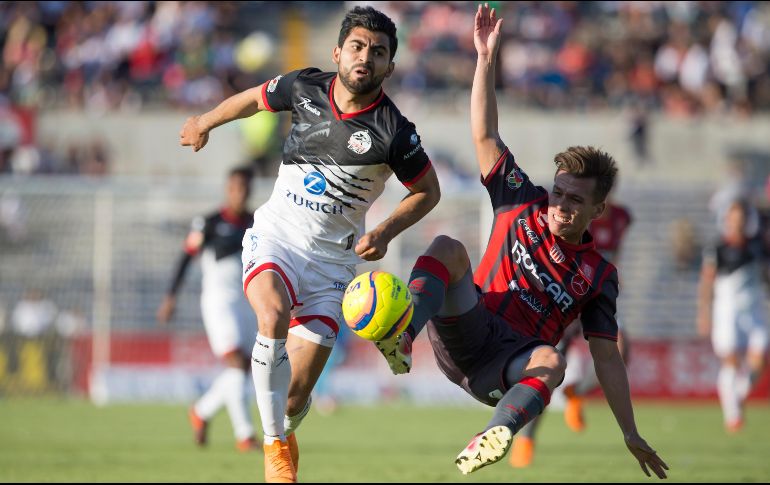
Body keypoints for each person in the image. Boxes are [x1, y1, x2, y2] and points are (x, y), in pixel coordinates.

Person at [374, 5, 667, 478]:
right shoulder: (521, 201)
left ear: (598, 210)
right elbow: (485, 133)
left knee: (554, 361)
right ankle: (403, 340)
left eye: (576, 200)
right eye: (559, 192)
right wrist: (485, 59)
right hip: (467, 324)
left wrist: (629, 431)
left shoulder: (598, 276)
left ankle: (498, 433)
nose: (561, 205)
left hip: (505, 368)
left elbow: (607, 356)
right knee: (448, 246)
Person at [178, 6, 441, 483]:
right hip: (276, 238)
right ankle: (273, 444)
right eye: (358, 47)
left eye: (378, 52)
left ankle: (285, 427)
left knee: (294, 398)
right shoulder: (305, 87)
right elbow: (255, 100)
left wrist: (382, 232)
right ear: (338, 51)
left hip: (332, 268)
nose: (366, 58)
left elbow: (428, 192)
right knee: (272, 316)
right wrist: (205, 121)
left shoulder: (395, 132)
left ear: (390, 67)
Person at [510, 198, 634, 467]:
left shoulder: (622, 217)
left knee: (622, 353)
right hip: (569, 299)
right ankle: (526, 439)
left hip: (598, 298)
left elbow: (614, 253)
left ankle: (577, 391)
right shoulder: (573, 216)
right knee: (547, 374)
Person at [156, 167, 260, 452]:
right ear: (228, 189)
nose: (239, 193)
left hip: (246, 302)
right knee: (235, 363)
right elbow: (185, 257)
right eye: (235, 187)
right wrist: (170, 296)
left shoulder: (256, 222)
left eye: (244, 188)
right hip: (218, 301)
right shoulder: (209, 223)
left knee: (244, 369)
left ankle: (202, 411)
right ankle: (245, 434)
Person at [697, 198, 769, 433]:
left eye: (741, 219)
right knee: (731, 361)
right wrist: (704, 313)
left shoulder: (758, 246)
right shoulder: (717, 248)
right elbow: (707, 282)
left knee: (759, 359)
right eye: (733, 218)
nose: (737, 223)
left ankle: (737, 396)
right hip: (727, 311)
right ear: (727, 220)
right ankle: (733, 414)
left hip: (754, 309)